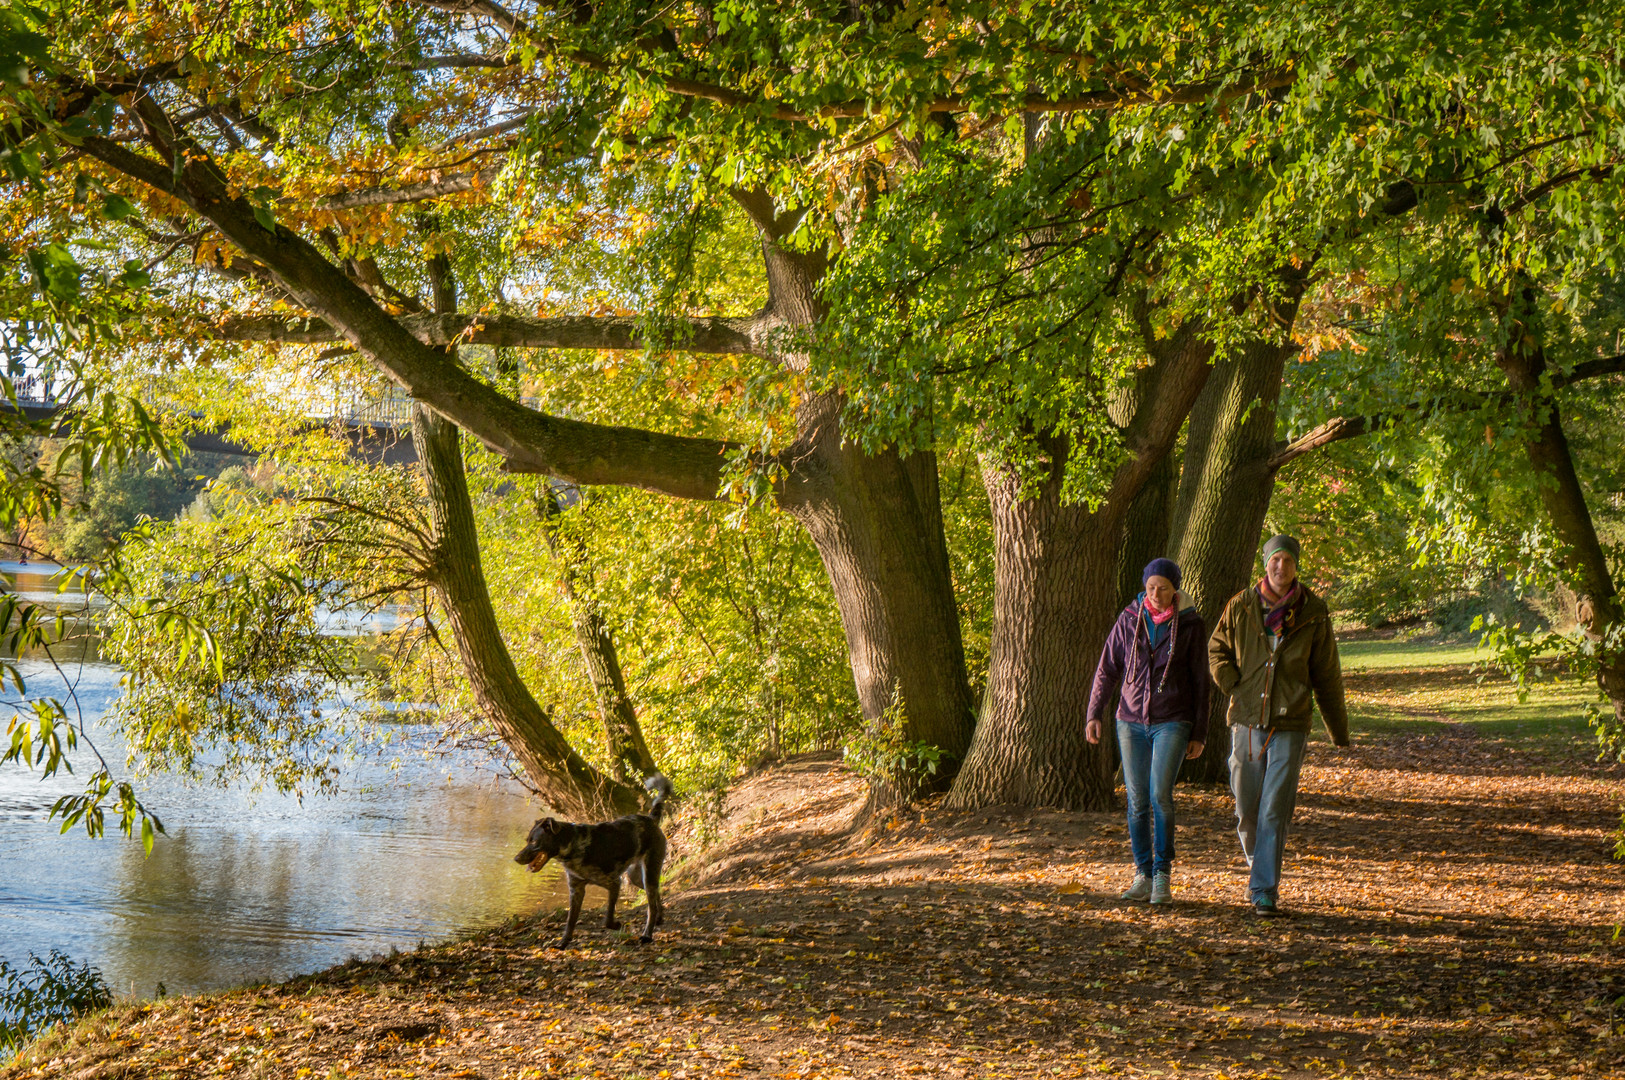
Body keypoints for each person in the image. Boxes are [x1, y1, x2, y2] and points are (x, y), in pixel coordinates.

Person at [1207, 534, 1350, 917]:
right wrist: (1232, 682)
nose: (1281, 567)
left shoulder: (1314, 612)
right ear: (1265, 563)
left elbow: (1327, 674)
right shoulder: (1241, 605)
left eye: (1288, 561)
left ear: (1296, 566)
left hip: (1291, 723)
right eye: (1275, 560)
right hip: (1246, 720)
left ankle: (1264, 889)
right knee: (1246, 807)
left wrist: (1339, 731)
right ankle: (1259, 863)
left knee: (1275, 809)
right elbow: (1216, 647)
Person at [1086, 557, 1209, 905]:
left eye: (1164, 588)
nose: (1156, 594)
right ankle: (1142, 874)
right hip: (1130, 720)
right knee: (1136, 799)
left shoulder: (1190, 625)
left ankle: (1162, 875)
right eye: (1151, 587)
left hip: (1173, 720)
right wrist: (1095, 712)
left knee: (1160, 795)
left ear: (1176, 590)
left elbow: (1202, 681)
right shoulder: (1128, 620)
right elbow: (1107, 669)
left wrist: (1199, 732)